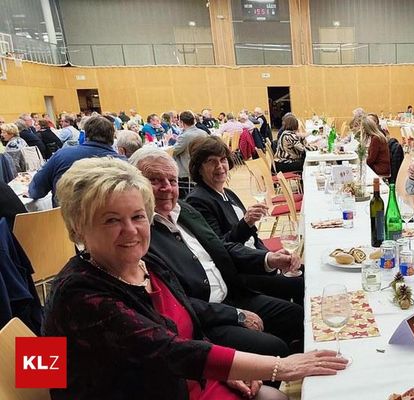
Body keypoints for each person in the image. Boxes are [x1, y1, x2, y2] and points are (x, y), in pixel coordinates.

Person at [45, 157, 347, 400]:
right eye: (112, 220)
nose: (131, 230)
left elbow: (188, 325)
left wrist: (227, 371)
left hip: (186, 379)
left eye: (137, 216)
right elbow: (167, 349)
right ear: (78, 228)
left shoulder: (147, 264)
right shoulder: (79, 293)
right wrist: (281, 367)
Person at [130, 148, 304, 357]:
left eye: (172, 180)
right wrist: (235, 315)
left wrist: (269, 259)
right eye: (155, 180)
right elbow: (174, 301)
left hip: (233, 295)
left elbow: (222, 248)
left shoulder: (184, 211)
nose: (167, 187)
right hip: (206, 318)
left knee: (297, 315)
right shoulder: (141, 236)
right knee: (274, 347)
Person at [185, 137, 304, 303]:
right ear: (199, 168)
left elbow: (253, 239)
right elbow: (219, 248)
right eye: (211, 161)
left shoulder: (227, 193)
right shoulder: (198, 200)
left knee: (305, 272)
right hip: (243, 274)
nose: (219, 166)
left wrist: (270, 255)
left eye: (223, 160)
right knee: (301, 284)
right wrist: (266, 258)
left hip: (255, 259)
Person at [28, 116, 123, 204]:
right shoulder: (123, 164)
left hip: (65, 214)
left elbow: (37, 189)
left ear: (85, 135)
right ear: (112, 136)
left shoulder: (62, 155)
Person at [173, 110, 209, 197]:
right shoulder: (203, 133)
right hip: (203, 166)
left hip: (187, 169)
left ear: (181, 123)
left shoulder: (185, 136)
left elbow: (174, 151)